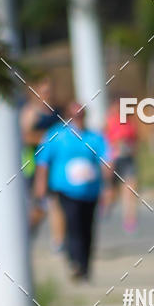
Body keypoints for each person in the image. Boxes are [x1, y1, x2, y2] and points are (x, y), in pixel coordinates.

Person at [33, 102, 113, 280]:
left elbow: (106, 161)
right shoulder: (56, 135)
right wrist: (40, 186)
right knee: (73, 224)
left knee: (87, 228)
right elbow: (43, 161)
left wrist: (108, 186)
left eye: (81, 115)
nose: (78, 119)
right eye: (75, 116)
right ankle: (74, 262)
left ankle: (85, 266)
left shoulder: (94, 137)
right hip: (65, 190)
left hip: (90, 191)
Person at [20, 75, 65, 243]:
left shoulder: (58, 111)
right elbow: (24, 137)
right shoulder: (31, 112)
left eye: (50, 91)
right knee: (40, 207)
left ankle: (59, 242)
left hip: (55, 164)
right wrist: (47, 139)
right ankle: (27, 233)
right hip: (35, 164)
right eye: (44, 91)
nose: (48, 94)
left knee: (56, 203)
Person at [105, 93, 139, 233]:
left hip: (128, 159)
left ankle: (129, 220)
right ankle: (105, 207)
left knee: (130, 190)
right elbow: (104, 141)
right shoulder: (109, 121)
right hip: (113, 160)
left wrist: (132, 149)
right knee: (112, 193)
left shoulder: (130, 122)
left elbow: (135, 140)